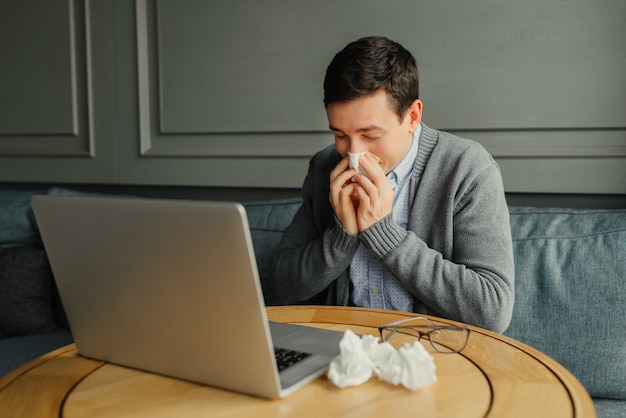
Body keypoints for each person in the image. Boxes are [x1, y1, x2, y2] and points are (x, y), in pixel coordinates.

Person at [269, 36, 514, 333]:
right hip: (344, 349)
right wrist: (342, 237)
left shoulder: (467, 169)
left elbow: (492, 310)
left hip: (433, 356)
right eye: (340, 134)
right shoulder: (325, 167)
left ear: (412, 116)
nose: (353, 153)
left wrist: (383, 233)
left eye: (370, 135)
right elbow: (280, 286)